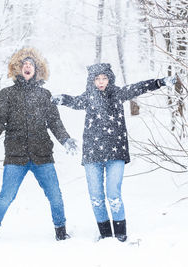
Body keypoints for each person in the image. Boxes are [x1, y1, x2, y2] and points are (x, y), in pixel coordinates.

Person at [51, 63, 176, 242]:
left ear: (109, 79)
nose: (101, 82)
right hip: (92, 154)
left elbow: (138, 87)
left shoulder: (117, 93)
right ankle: (105, 234)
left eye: (104, 78)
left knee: (113, 194)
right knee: (96, 197)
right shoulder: (89, 97)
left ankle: (120, 234)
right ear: (92, 81)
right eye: (97, 79)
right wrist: (61, 98)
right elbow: (74, 101)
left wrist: (160, 82)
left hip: (115, 152)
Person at [0, 47, 77, 241]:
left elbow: (54, 122)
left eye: (31, 64)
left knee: (55, 196)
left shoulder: (45, 95)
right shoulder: (6, 94)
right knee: (6, 196)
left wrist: (65, 139)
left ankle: (61, 232)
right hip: (15, 156)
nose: (27, 66)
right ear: (18, 69)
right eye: (24, 64)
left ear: (37, 70)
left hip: (42, 155)